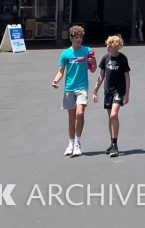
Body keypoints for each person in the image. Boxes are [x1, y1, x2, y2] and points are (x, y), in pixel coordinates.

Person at [52, 24, 95, 157]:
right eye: (76, 37)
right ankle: (70, 144)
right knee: (71, 117)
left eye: (80, 37)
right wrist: (55, 80)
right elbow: (61, 71)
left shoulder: (87, 51)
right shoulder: (65, 54)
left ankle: (77, 143)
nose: (78, 39)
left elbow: (92, 70)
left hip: (82, 87)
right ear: (71, 38)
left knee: (80, 114)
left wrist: (93, 62)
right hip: (69, 88)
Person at [92, 34, 131, 157]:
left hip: (119, 91)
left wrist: (127, 94)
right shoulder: (105, 59)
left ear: (116, 46)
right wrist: (95, 91)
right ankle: (112, 143)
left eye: (110, 45)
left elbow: (127, 76)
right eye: (107, 44)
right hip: (108, 91)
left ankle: (115, 145)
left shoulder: (122, 59)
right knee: (110, 118)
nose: (107, 47)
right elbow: (101, 76)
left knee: (114, 115)